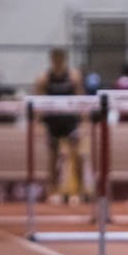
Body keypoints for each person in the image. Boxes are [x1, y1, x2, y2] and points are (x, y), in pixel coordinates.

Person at [34, 48, 85, 199]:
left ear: (64, 59)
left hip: (70, 120)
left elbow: (81, 98)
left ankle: (79, 189)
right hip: (53, 121)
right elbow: (37, 101)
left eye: (60, 58)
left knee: (77, 154)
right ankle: (53, 189)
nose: (57, 61)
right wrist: (38, 123)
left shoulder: (73, 76)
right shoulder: (44, 78)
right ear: (51, 59)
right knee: (53, 158)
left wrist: (83, 121)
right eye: (55, 58)